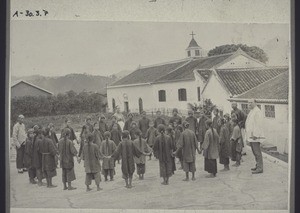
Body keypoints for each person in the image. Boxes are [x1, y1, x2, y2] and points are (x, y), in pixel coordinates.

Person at [245, 99, 265, 174]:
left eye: (251, 102)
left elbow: (258, 124)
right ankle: (257, 165)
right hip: (251, 136)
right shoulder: (252, 111)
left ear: (255, 103)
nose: (249, 104)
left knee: (257, 152)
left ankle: (260, 168)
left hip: (255, 136)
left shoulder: (257, 111)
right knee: (254, 151)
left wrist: (255, 135)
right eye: (248, 102)